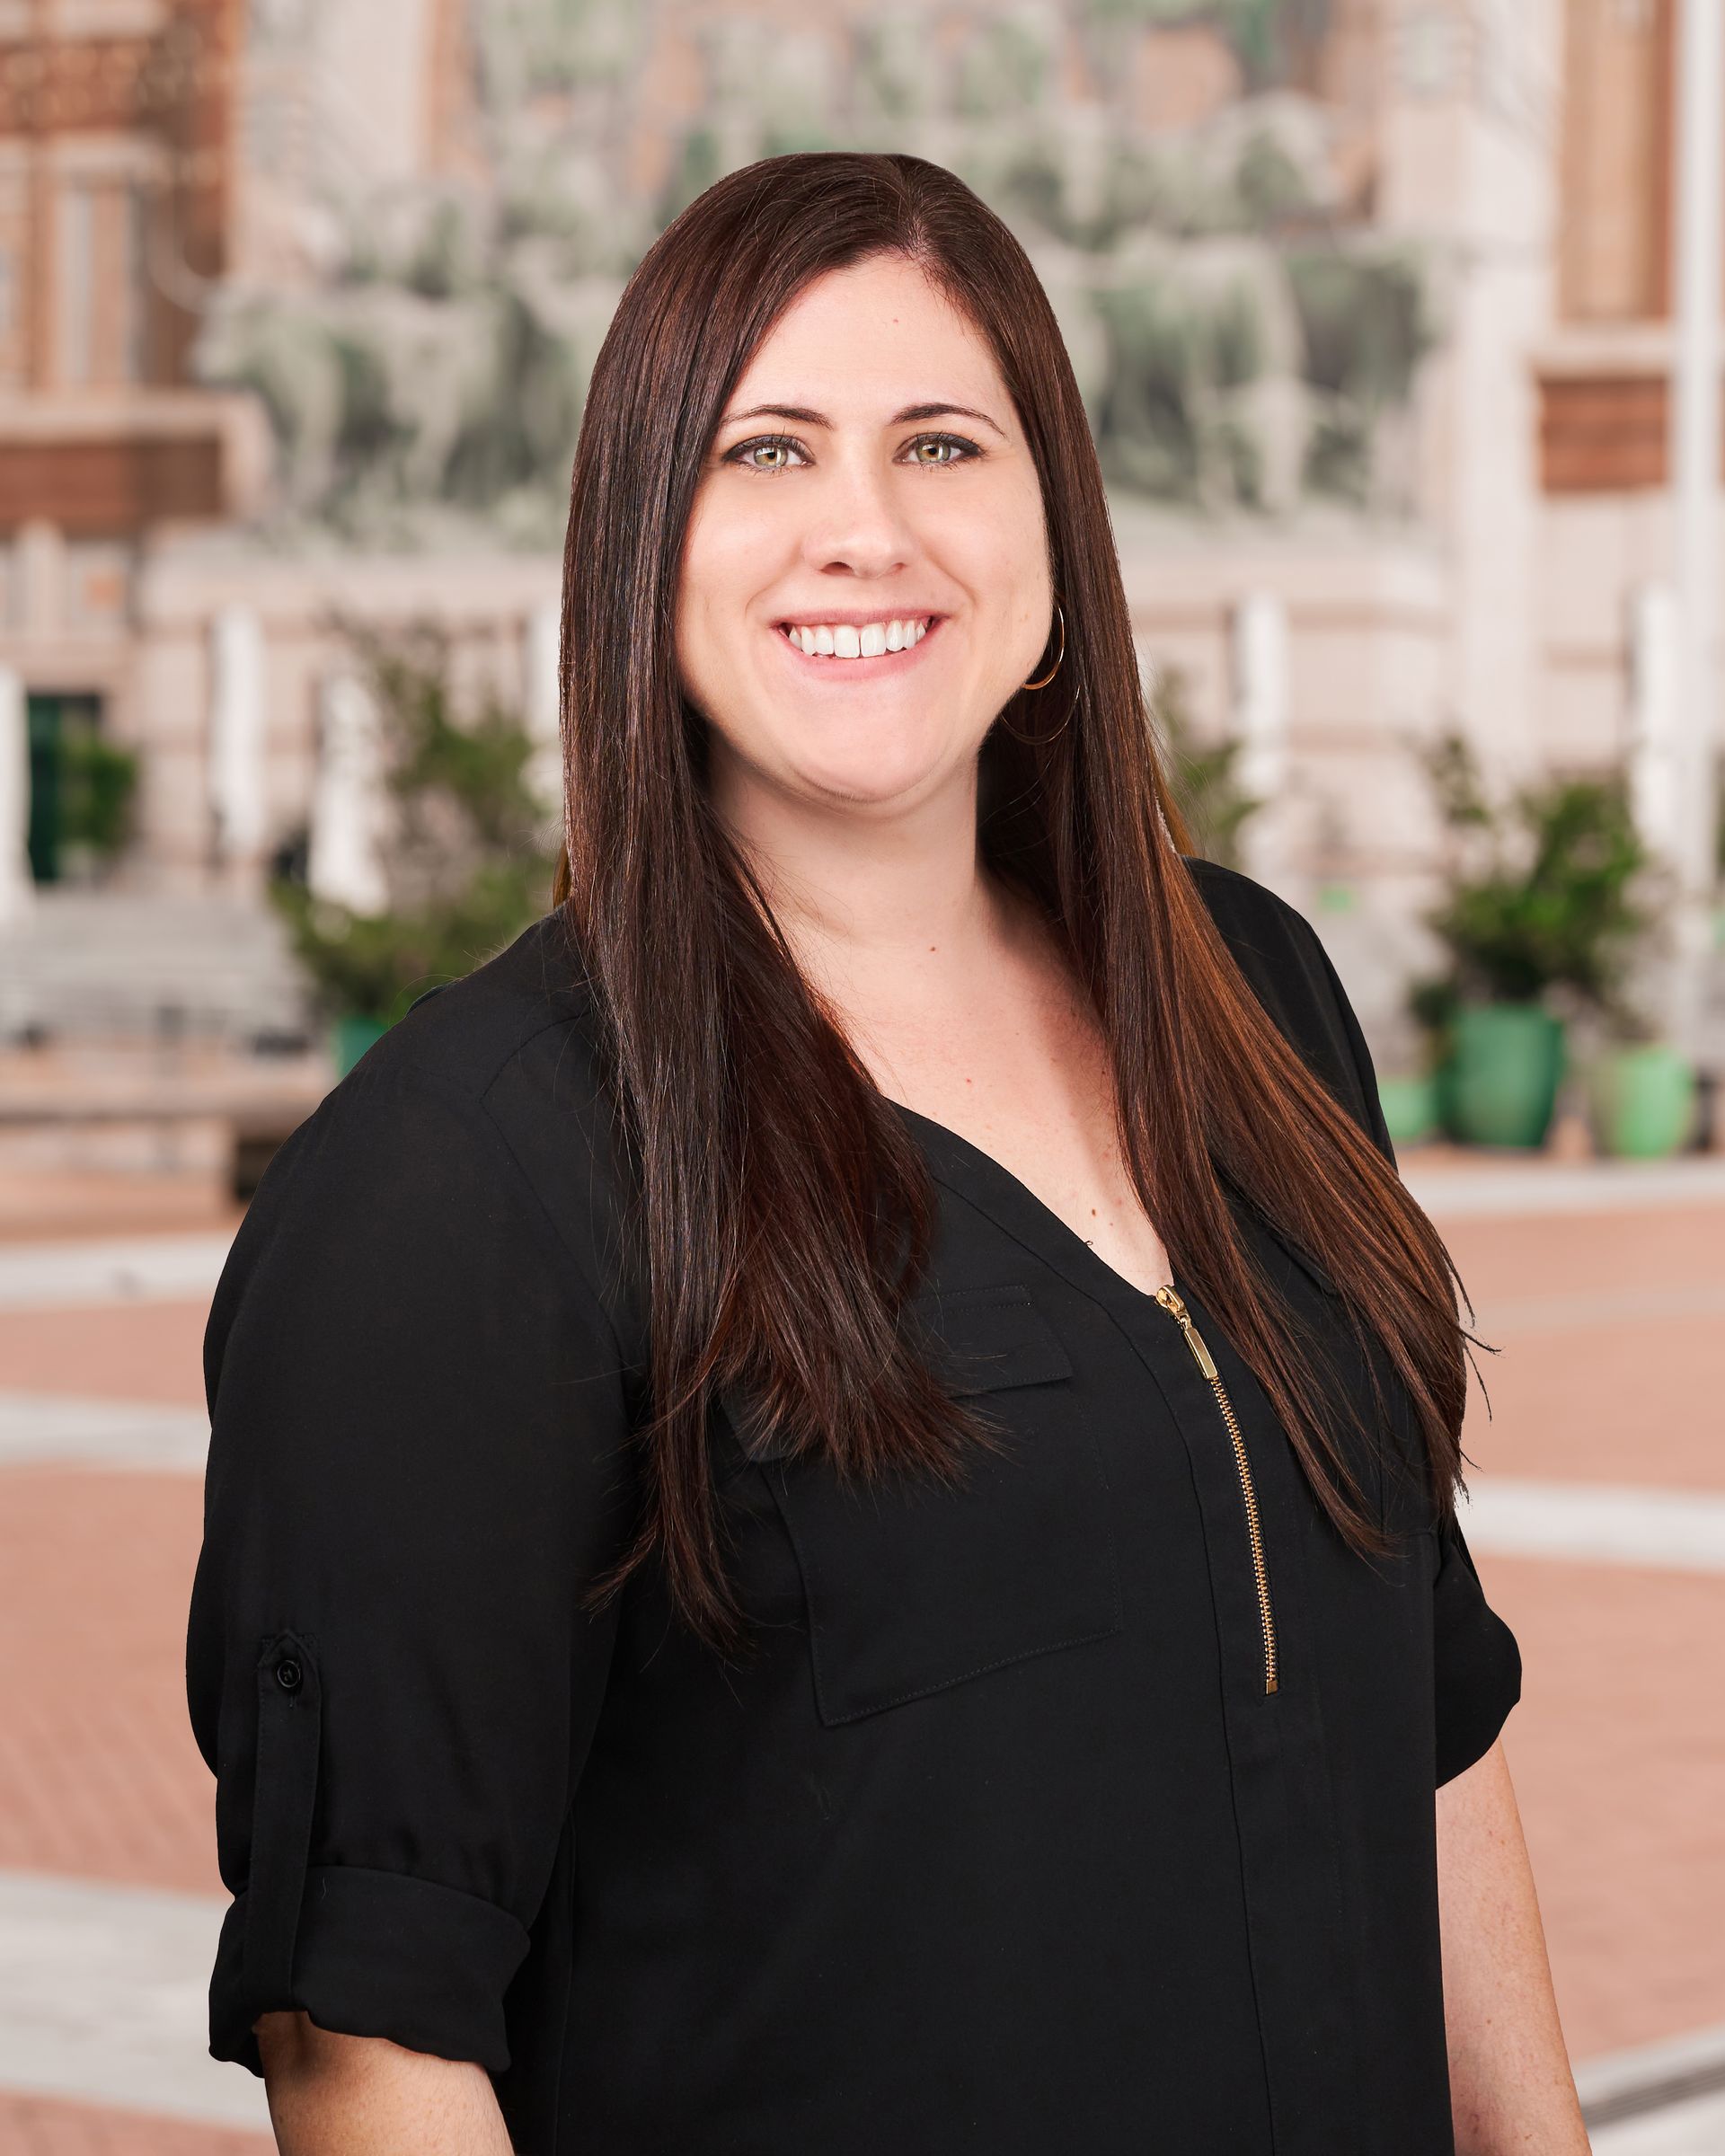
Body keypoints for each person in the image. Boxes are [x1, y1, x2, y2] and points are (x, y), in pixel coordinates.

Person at [187, 152, 1589, 2155]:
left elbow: (1433, 1715)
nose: (868, 532)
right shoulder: (465, 1183)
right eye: (768, 453)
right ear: (642, 538)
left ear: (1052, 530)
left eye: (944, 442)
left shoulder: (1252, 1000)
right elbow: (375, 2035)